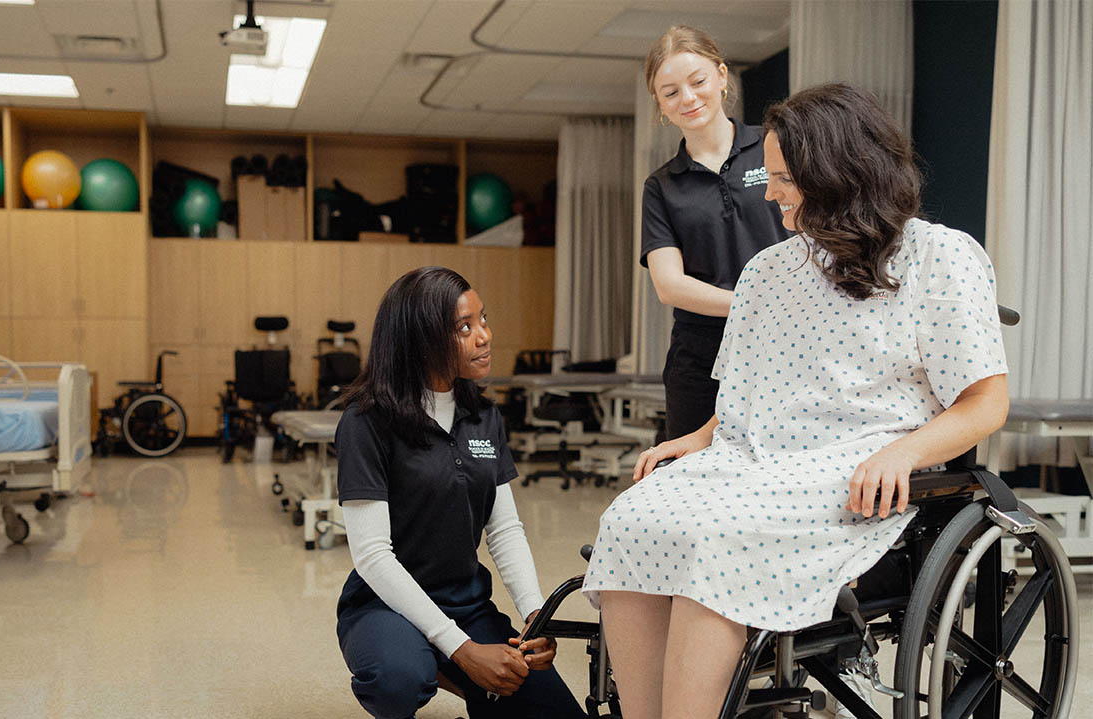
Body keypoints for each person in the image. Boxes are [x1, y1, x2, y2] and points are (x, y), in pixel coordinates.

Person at [581, 83, 1011, 719]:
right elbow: (744, 397)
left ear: (838, 175)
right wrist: (695, 439)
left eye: (783, 178)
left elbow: (984, 403)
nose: (769, 191)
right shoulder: (768, 271)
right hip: (748, 459)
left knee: (718, 538)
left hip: (856, 470)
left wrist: (904, 454)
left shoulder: (940, 257)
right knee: (629, 519)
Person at [334, 266, 585, 719]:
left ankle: (457, 669)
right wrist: (465, 652)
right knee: (398, 678)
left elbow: (504, 529)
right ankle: (439, 665)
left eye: (483, 320)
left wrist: (534, 617)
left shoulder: (483, 416)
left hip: (466, 603)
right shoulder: (366, 421)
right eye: (464, 328)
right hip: (383, 607)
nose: (484, 336)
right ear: (419, 339)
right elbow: (372, 555)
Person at [640, 26, 792, 441]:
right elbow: (669, 285)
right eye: (670, 92)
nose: (687, 98)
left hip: (786, 341)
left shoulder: (776, 148)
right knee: (690, 480)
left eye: (698, 81)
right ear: (660, 105)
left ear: (722, 77)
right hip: (700, 358)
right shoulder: (662, 186)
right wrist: (753, 303)